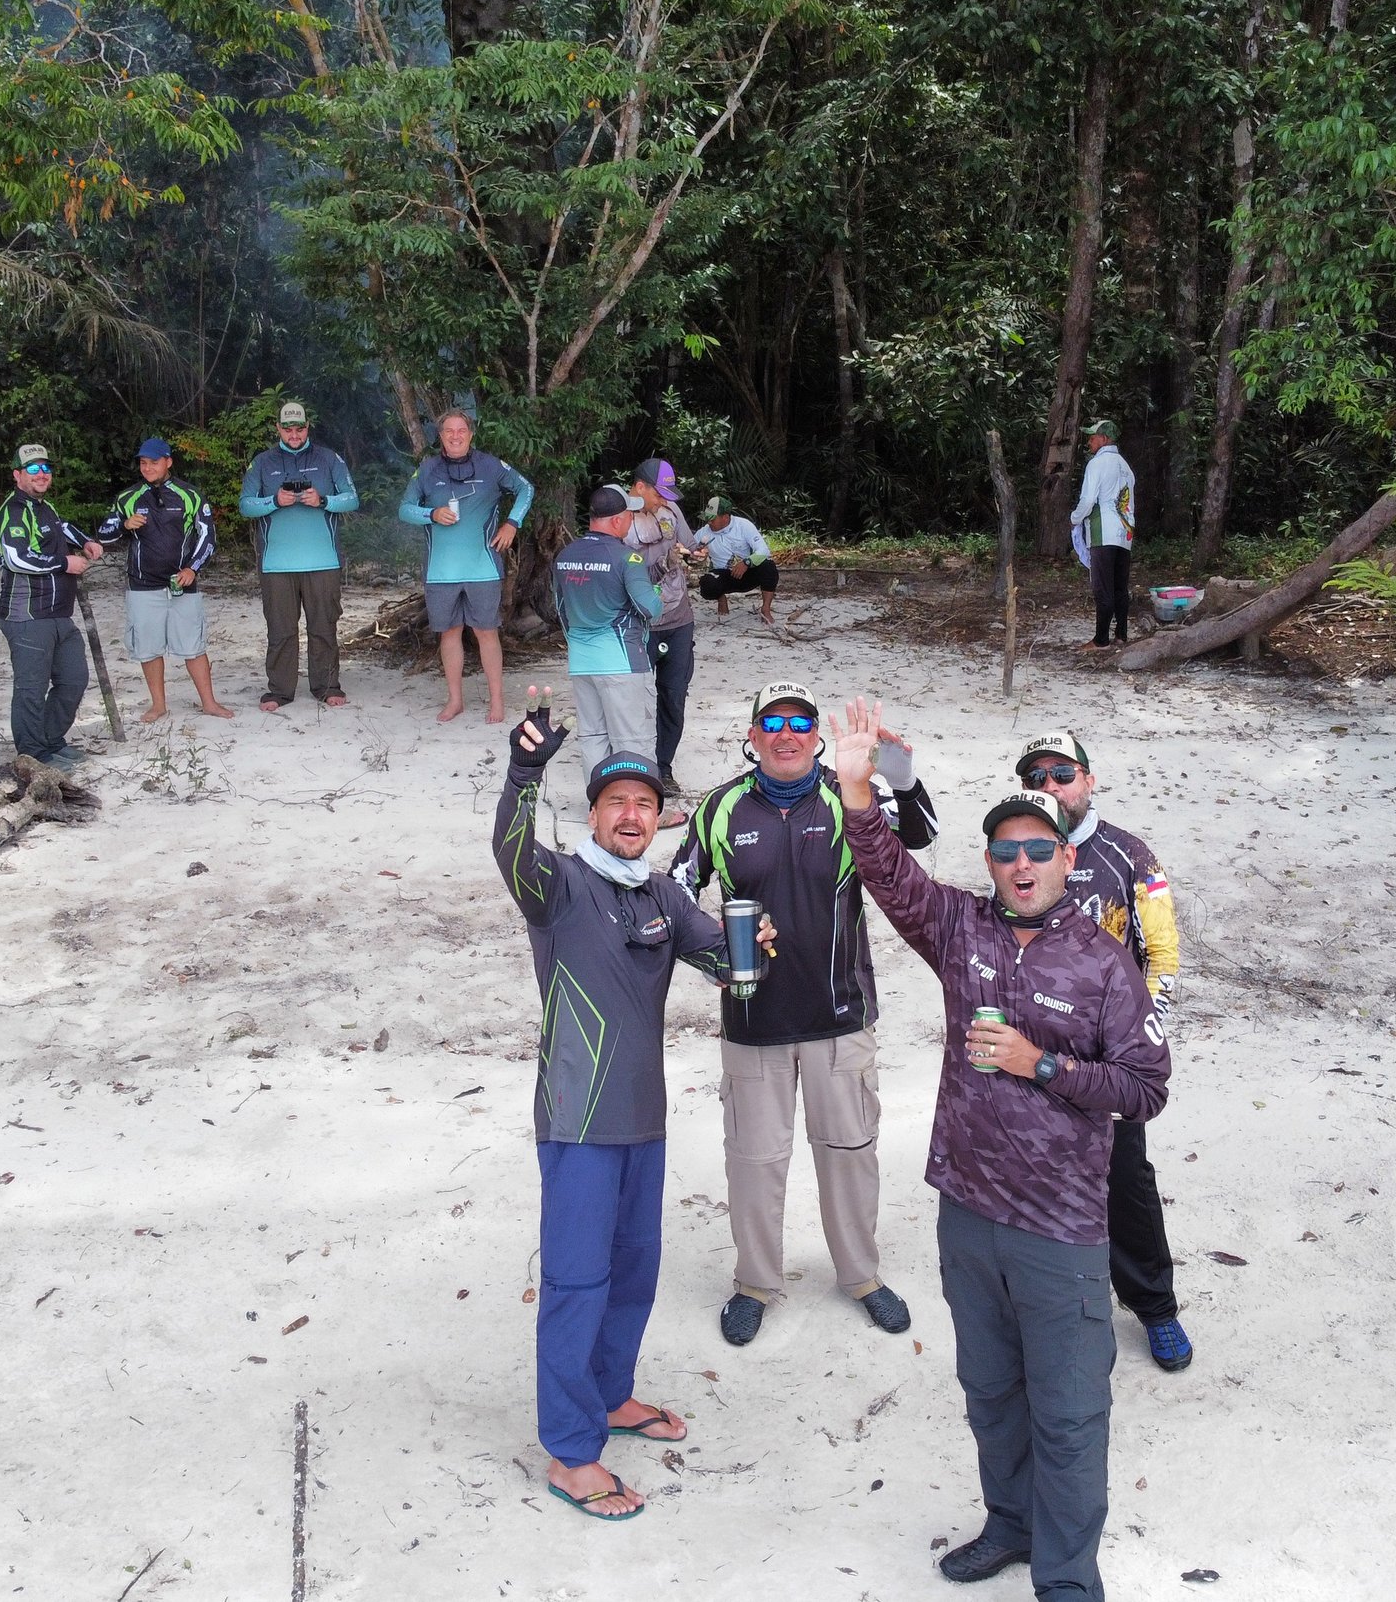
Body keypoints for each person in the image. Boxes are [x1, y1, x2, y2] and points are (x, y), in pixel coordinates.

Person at [831, 699, 1168, 1601]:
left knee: (1068, 1413)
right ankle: (1010, 1525)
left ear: (1067, 857)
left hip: (1060, 1229)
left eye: (1039, 849)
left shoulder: (1104, 963)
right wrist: (858, 782)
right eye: (1006, 851)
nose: (1022, 864)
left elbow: (1144, 1087)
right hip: (967, 1211)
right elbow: (887, 871)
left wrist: (1043, 1063)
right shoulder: (961, 928)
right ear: (991, 862)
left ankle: (1066, 1576)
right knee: (989, 1390)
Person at [493, 688, 772, 1522]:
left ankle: (611, 1394)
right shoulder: (560, 886)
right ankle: (571, 1451)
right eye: (616, 801)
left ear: (658, 819)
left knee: (633, 1272)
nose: (630, 814)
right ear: (596, 811)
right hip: (578, 1120)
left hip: (643, 1121)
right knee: (577, 1282)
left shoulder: (660, 896)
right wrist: (523, 769)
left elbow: (724, 969)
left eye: (644, 804)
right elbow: (510, 851)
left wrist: (749, 947)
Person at [672, 680, 939, 1346]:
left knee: (850, 1154)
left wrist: (899, 775)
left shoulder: (846, 793)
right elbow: (675, 894)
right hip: (752, 1021)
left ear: (816, 733)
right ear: (755, 734)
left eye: (799, 721)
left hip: (840, 1015)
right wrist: (713, 954)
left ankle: (862, 1276)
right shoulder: (721, 807)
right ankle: (755, 1282)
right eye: (772, 721)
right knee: (754, 1159)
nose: (786, 733)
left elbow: (919, 835)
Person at [1015, 731, 1189, 1372]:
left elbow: (1163, 956)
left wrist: (1140, 1046)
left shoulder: (1128, 854)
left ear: (1089, 779)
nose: (1051, 787)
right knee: (1040, 1184)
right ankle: (1053, 1310)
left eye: (1062, 774)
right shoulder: (1020, 850)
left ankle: (1157, 1308)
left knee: (1126, 1185)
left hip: (1110, 1065)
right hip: (1032, 1056)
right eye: (1037, 777)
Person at [399, 408, 533, 725]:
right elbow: (404, 509)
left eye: (462, 430)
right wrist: (431, 514)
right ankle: (455, 700)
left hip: (482, 568)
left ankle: (496, 703)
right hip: (440, 571)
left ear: (471, 434)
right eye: (449, 431)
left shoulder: (491, 466)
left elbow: (526, 488)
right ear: (440, 436)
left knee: (487, 633)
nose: (456, 436)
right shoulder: (428, 469)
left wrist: (512, 523)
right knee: (449, 634)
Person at [95, 437, 232, 723]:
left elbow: (208, 537)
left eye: (153, 463)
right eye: (143, 463)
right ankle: (158, 705)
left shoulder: (190, 495)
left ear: (168, 462)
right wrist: (123, 524)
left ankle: (209, 702)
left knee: (193, 646)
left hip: (182, 584)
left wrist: (193, 569)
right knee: (148, 647)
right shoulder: (128, 498)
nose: (147, 468)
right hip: (143, 586)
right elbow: (103, 535)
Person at [239, 401, 359, 713]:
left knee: (324, 627)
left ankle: (327, 686)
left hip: (323, 562)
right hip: (276, 563)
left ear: (308, 427)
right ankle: (279, 690)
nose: (294, 433)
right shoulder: (262, 463)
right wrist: (274, 500)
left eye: (300, 428)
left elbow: (351, 499)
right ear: (278, 428)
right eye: (288, 428)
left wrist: (323, 500)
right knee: (280, 630)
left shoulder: (329, 458)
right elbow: (246, 505)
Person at [0, 442, 102, 770]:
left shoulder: (46, 508)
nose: (41, 475)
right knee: (31, 687)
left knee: (73, 679)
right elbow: (16, 557)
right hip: (26, 614)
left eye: (46, 468)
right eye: (33, 469)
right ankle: (32, 755)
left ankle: (50, 740)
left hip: (58, 614)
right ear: (17, 475)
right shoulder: (13, 510)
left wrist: (86, 541)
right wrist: (64, 563)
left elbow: (63, 527)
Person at [555, 484, 662, 773]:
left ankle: (598, 807)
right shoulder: (628, 558)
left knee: (592, 736)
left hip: (581, 662)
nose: (632, 519)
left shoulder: (565, 556)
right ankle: (636, 812)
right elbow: (649, 608)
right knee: (631, 741)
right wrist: (656, 591)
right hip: (621, 662)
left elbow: (561, 611)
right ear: (617, 520)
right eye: (630, 514)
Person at [626, 458, 699, 809]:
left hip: (678, 617)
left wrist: (695, 552)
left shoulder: (669, 510)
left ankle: (663, 767)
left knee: (673, 696)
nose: (663, 501)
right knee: (632, 700)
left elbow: (688, 542)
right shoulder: (620, 519)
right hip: (639, 623)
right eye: (658, 493)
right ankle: (631, 767)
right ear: (639, 487)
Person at [1070, 422, 1135, 651]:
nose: (1089, 441)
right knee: (1119, 587)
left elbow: (1088, 501)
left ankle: (1100, 640)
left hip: (1102, 532)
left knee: (1102, 588)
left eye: (1093, 437)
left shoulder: (1097, 464)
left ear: (1105, 439)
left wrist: (1075, 519)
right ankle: (1121, 635)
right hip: (1124, 533)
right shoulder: (1126, 467)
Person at [695, 496, 779, 624]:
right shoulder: (704, 533)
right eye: (707, 518)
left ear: (726, 517)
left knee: (769, 567)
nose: (709, 523)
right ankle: (721, 598)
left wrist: (746, 563)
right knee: (707, 584)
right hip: (723, 575)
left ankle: (766, 608)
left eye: (712, 519)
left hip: (747, 571)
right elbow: (690, 553)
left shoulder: (743, 525)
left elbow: (763, 550)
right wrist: (694, 557)